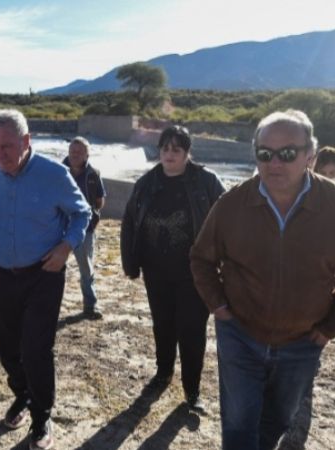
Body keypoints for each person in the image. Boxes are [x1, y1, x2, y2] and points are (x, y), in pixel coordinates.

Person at [190, 110, 335, 450]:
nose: (275, 162)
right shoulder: (232, 204)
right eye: (265, 154)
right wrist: (219, 307)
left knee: (279, 419)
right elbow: (201, 259)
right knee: (238, 423)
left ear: (310, 155)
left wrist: (331, 327)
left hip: (304, 340)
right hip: (240, 334)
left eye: (287, 153)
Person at [0, 109, 90, 450]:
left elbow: (81, 212)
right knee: (9, 348)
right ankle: (22, 395)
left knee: (36, 348)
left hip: (44, 274)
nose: (0, 155)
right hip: (1, 275)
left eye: (8, 147)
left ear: (26, 141)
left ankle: (42, 416)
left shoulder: (54, 174)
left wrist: (66, 247)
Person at [120, 125, 224, 411]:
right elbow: (130, 222)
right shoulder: (146, 183)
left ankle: (192, 391)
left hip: (196, 274)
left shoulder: (206, 182)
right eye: (165, 148)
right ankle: (163, 372)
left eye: (176, 149)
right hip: (156, 272)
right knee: (163, 325)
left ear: (187, 152)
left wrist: (226, 266)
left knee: (191, 330)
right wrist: (130, 262)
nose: (169, 154)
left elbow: (226, 221)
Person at [62, 137, 106, 319]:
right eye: (72, 151)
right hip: (59, 228)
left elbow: (100, 201)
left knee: (86, 269)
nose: (75, 155)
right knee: (52, 269)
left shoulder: (93, 174)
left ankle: (90, 306)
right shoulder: (58, 171)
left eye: (79, 152)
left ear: (87, 154)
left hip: (85, 229)